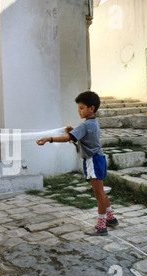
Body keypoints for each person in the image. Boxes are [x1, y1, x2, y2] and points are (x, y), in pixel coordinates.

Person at [36, 91, 118, 236]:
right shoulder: (92, 122)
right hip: (98, 159)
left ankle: (101, 226)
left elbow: (68, 138)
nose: (79, 111)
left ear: (91, 108)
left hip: (93, 161)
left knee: (98, 194)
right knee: (101, 191)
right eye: (78, 108)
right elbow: (79, 136)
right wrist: (75, 132)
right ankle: (111, 218)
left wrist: (49, 139)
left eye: (81, 108)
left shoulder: (85, 125)